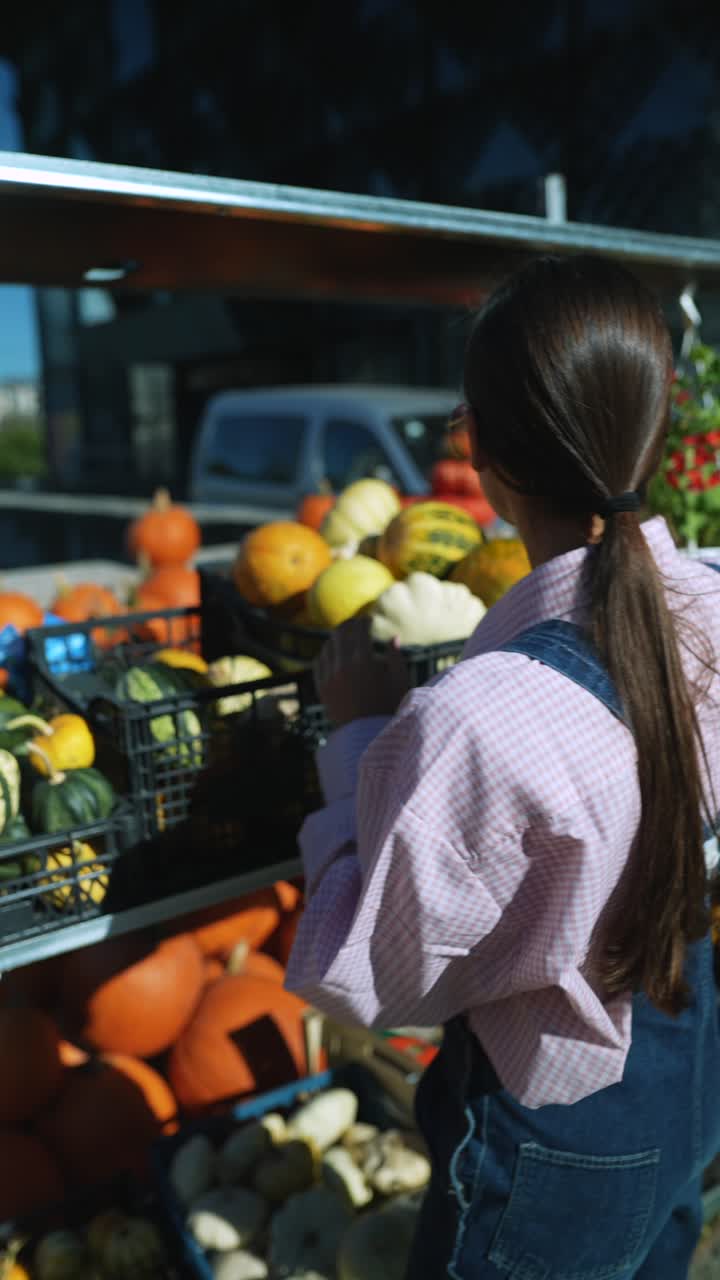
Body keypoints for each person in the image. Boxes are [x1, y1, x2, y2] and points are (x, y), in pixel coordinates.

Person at [284, 255, 720, 1278]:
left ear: (477, 448)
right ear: (656, 428)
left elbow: (375, 973)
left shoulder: (479, 720)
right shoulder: (710, 599)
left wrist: (357, 737)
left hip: (556, 1149)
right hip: (692, 1083)